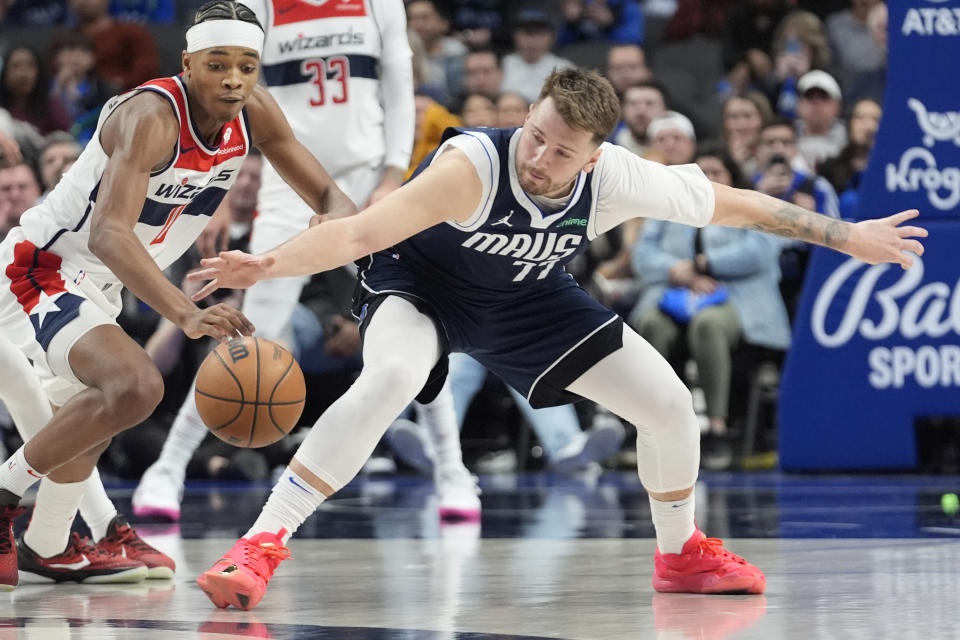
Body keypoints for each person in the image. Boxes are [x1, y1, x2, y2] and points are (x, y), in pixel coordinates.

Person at [189, 68, 925, 610]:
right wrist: (268, 263)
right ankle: (261, 545)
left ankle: (680, 552)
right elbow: (361, 232)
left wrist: (845, 235)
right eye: (536, 136)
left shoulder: (619, 180)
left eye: (561, 151)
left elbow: (738, 208)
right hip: (422, 288)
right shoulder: (472, 166)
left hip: (528, 298)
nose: (539, 158)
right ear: (531, 114)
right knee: (390, 380)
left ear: (596, 157)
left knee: (668, 404)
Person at [0, 0, 356, 590]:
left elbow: (333, 199)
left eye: (247, 64)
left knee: (95, 413)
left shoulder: (254, 110)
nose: (234, 78)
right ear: (188, 63)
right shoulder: (151, 114)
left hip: (104, 282)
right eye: (218, 64)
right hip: (43, 267)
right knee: (135, 385)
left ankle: (49, 545)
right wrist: (186, 313)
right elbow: (109, 234)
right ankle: (7, 496)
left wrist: (322, 236)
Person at [133, 0, 479, 523]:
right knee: (254, 330)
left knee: (418, 315)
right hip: (288, 179)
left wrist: (392, 172)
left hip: (368, 176)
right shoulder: (258, 5)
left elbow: (397, 86)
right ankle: (169, 467)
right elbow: (221, 90)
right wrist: (219, 185)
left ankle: (452, 470)